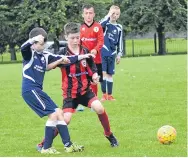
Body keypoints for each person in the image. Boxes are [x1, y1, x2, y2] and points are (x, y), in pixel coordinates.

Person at [36, 22, 118, 151]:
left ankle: (109, 134)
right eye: (72, 38)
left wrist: (95, 76)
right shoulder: (62, 54)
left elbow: (92, 67)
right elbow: (48, 65)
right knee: (65, 120)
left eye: (77, 37)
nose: (75, 40)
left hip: (85, 91)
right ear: (66, 37)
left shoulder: (85, 50)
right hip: (69, 94)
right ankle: (43, 143)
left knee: (100, 108)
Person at [21, 27, 92, 154]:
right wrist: (32, 40)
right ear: (34, 43)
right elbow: (23, 48)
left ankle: (68, 145)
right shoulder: (29, 54)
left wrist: (84, 56)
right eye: (41, 44)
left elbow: (65, 58)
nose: (43, 47)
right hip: (30, 90)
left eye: (44, 44)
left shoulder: (45, 55)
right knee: (53, 115)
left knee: (59, 113)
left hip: (38, 90)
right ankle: (46, 148)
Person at [77, 3, 104, 111]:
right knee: (81, 80)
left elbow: (101, 41)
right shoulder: (80, 28)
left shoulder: (98, 27)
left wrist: (95, 50)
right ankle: (79, 103)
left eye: (90, 13)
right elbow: (78, 42)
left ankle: (94, 103)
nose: (88, 15)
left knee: (94, 80)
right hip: (83, 59)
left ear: (94, 14)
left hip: (96, 59)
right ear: (83, 15)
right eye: (86, 13)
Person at [99, 5, 123, 101]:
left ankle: (110, 95)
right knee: (103, 73)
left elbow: (120, 41)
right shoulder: (105, 24)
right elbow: (99, 26)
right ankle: (104, 94)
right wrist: (108, 15)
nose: (114, 15)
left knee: (110, 74)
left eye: (117, 14)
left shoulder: (119, 27)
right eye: (113, 13)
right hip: (103, 52)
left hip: (112, 53)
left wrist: (119, 54)